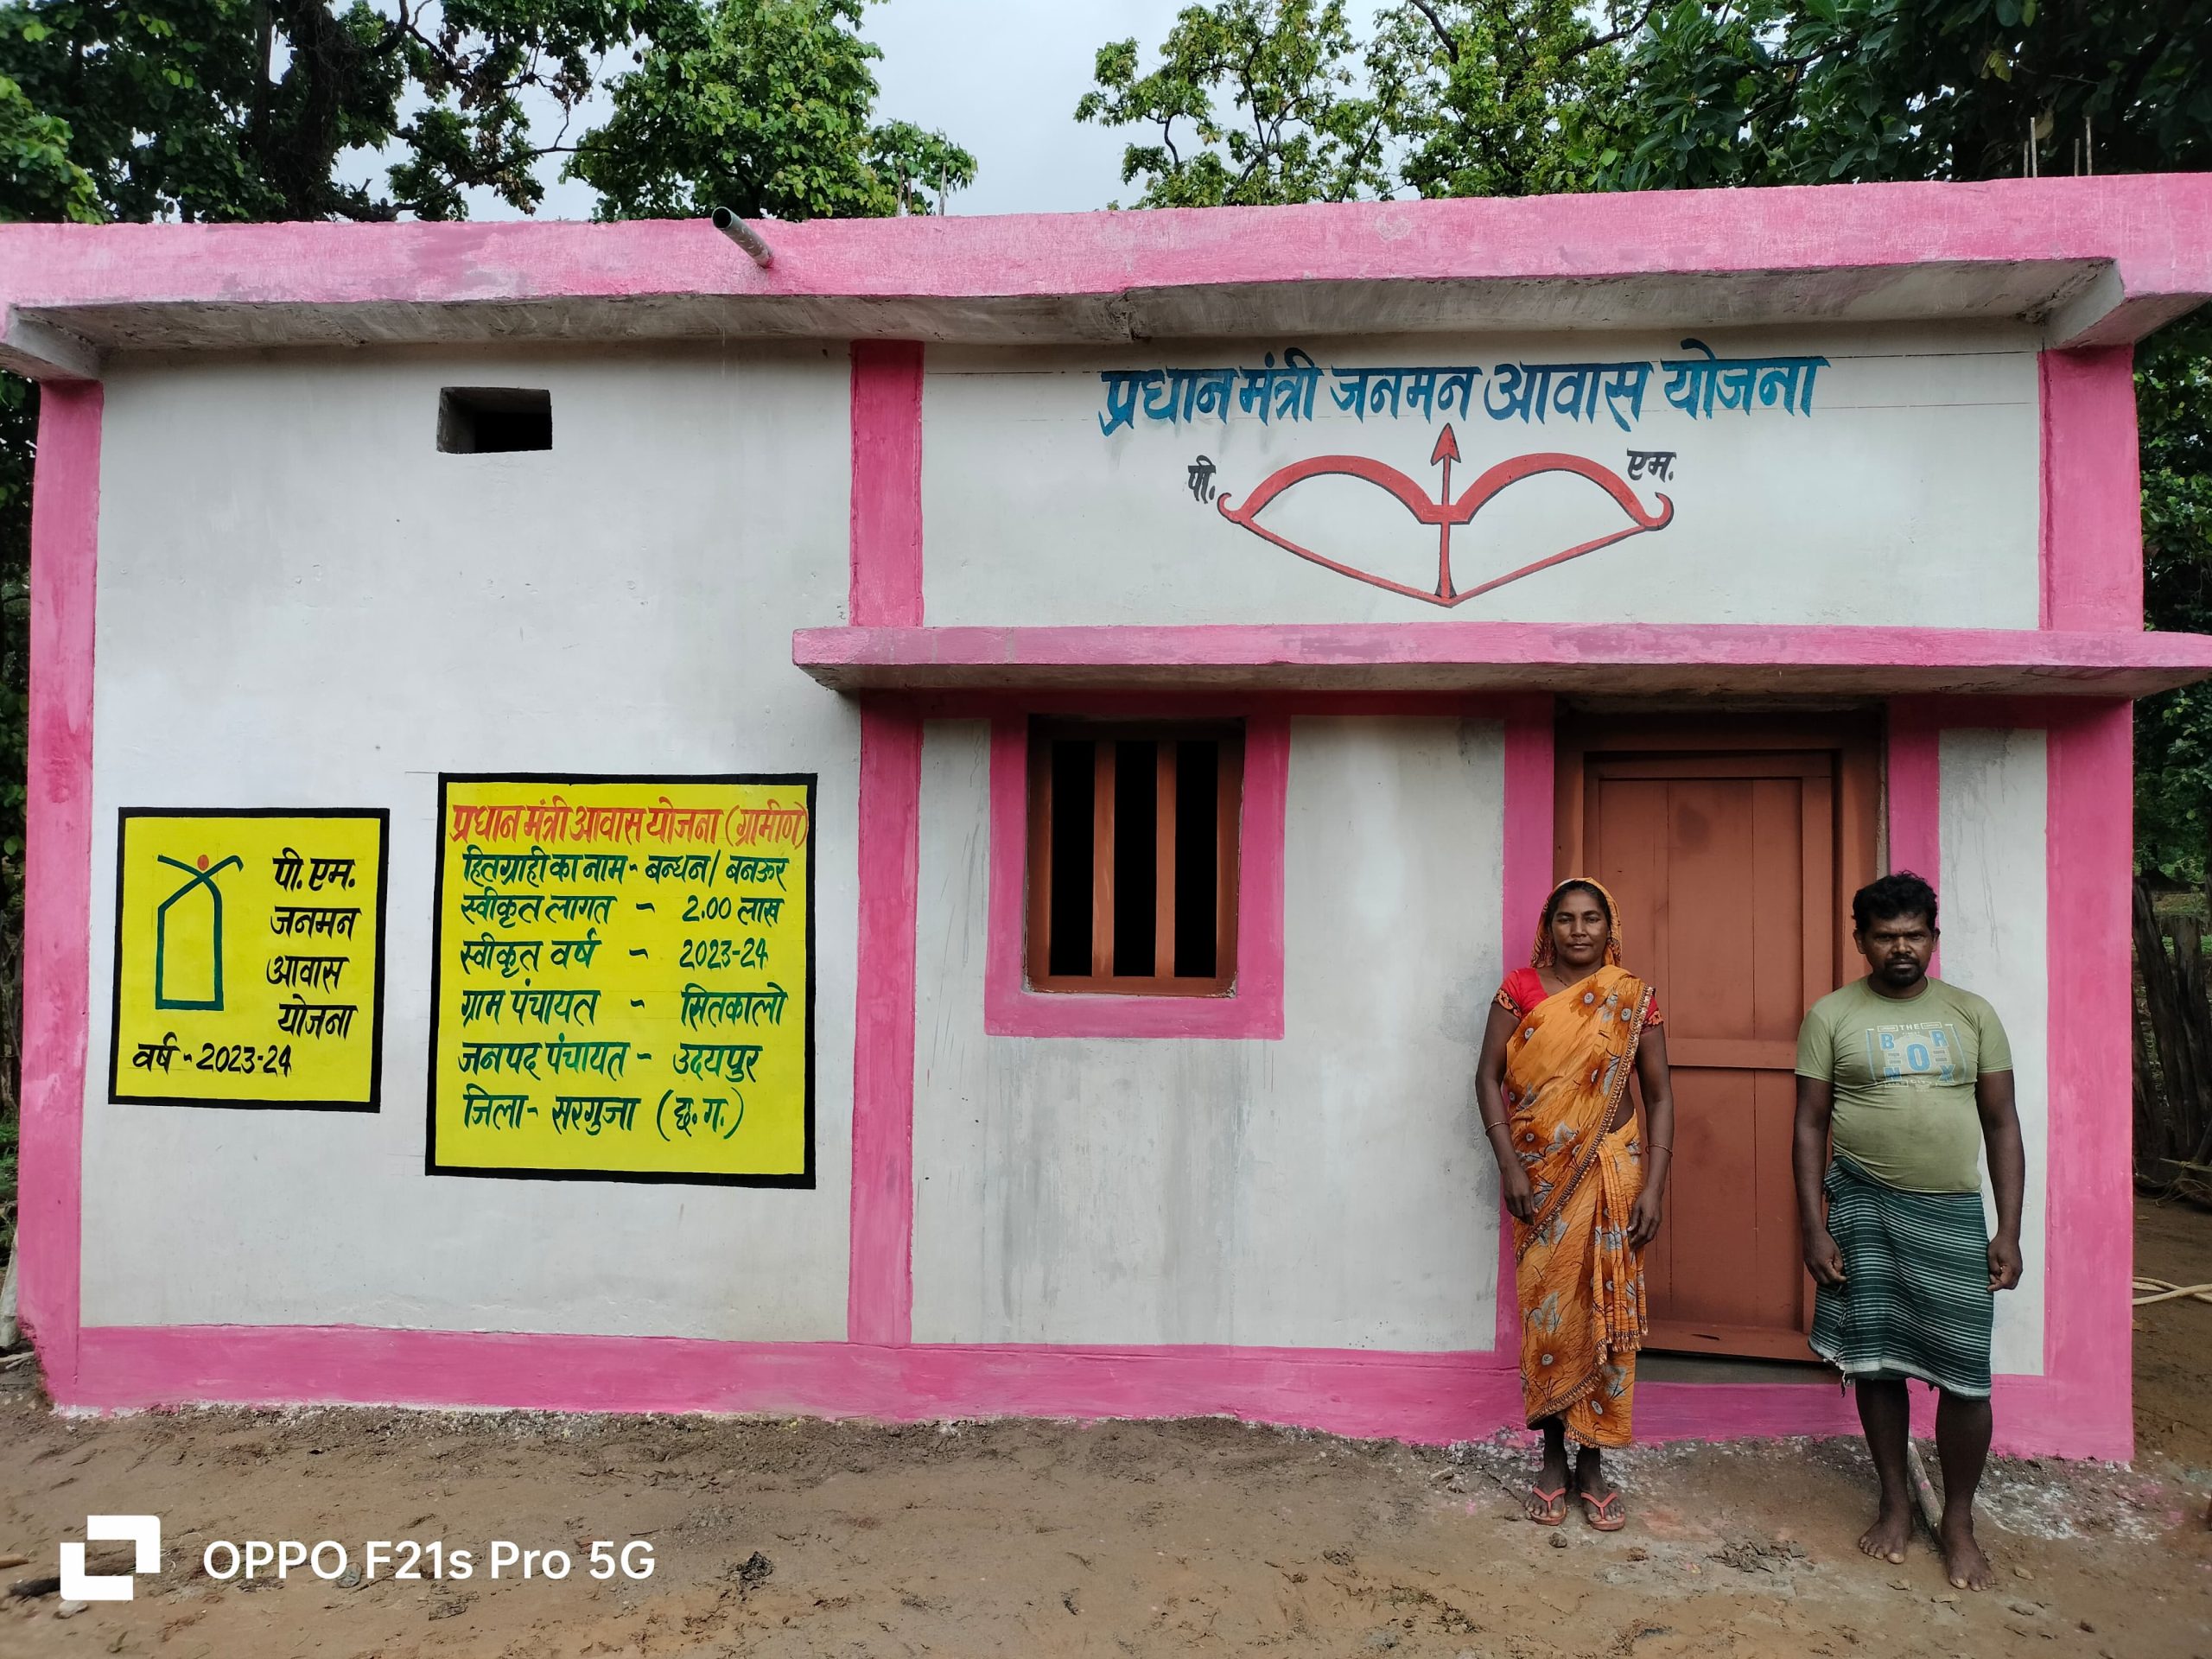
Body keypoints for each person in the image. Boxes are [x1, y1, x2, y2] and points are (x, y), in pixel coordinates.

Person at [1793, 871, 2024, 1592]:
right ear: (1860, 940)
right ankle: (1895, 1501)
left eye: (1915, 935)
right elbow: (1809, 1125)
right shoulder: (1832, 1015)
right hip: (1864, 1207)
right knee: (1876, 1363)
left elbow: (2002, 1123)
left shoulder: (1972, 1014)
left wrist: (2009, 1230)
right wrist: (1813, 1227)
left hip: (1952, 1213)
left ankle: (1958, 1521)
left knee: (1967, 1376)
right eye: (1886, 936)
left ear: (1933, 938)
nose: (1902, 948)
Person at [1477, 877, 1675, 1530]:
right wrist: (1509, 1165)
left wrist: (1654, 1186)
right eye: (1566, 918)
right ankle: (1553, 1456)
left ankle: (1593, 1461)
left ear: (1608, 926)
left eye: (1592, 918)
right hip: (1540, 1178)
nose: (1579, 930)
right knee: (1552, 1314)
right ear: (1549, 926)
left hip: (1615, 1172)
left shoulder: (1632, 997)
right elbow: (1486, 1077)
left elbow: (1660, 1096)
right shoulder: (1521, 989)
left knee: (1606, 1313)